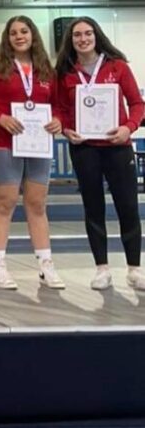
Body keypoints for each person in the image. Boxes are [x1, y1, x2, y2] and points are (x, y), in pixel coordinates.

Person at [53, 17, 145, 290]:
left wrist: (129, 127)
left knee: (128, 206)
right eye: (77, 35)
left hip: (117, 147)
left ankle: (134, 268)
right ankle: (102, 269)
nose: (83, 39)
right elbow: (59, 109)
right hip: (85, 148)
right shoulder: (65, 72)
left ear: (97, 35)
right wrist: (66, 129)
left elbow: (137, 103)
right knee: (93, 208)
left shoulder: (118, 66)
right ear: (71, 40)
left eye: (88, 33)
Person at [0, 16, 64, 290]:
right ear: (7, 38)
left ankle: (46, 265)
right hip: (4, 142)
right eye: (13, 33)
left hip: (39, 143)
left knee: (37, 203)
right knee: (5, 201)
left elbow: (58, 106)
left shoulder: (47, 70)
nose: (19, 36)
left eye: (24, 31)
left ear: (33, 35)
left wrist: (58, 120)